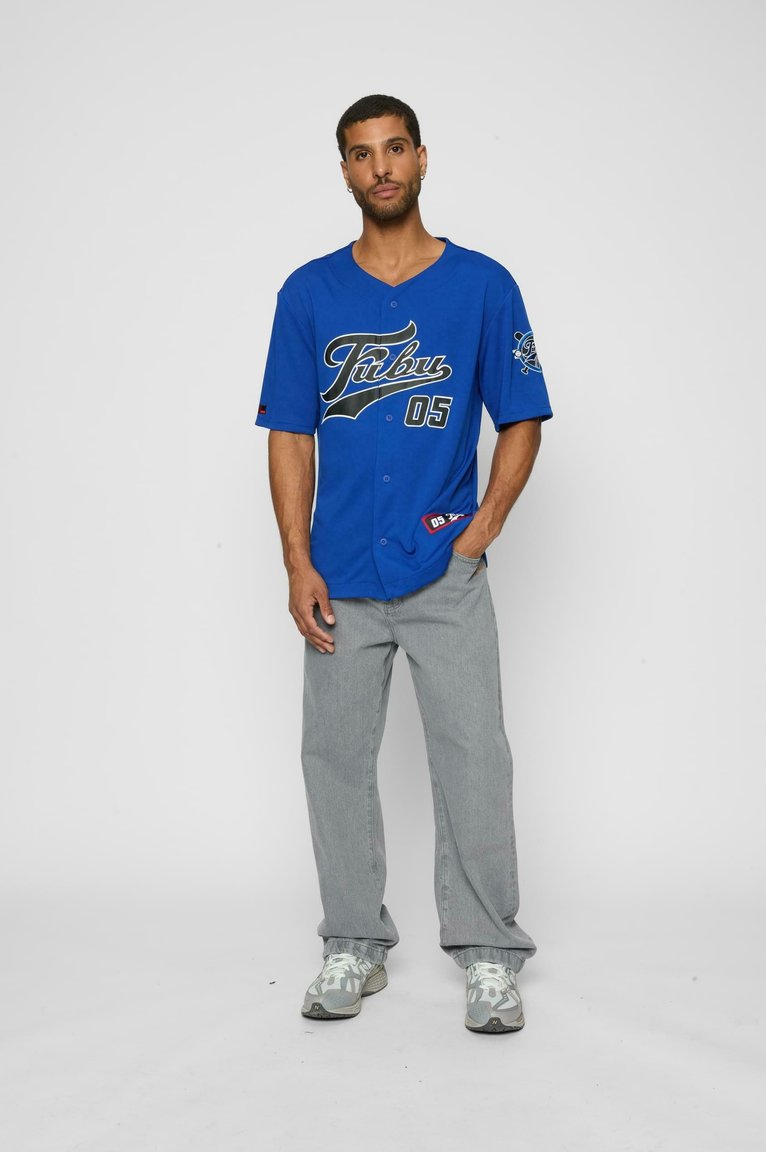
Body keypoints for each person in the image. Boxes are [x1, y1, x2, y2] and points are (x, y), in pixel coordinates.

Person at [255, 94, 553, 1033]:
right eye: (360, 153)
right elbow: (290, 432)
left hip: (442, 569)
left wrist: (481, 530)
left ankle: (489, 953)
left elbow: (523, 414)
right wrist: (296, 560)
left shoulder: (482, 285)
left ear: (422, 158)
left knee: (475, 759)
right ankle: (354, 941)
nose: (379, 167)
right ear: (344, 170)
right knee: (334, 759)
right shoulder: (308, 294)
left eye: (393, 149)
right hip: (339, 572)